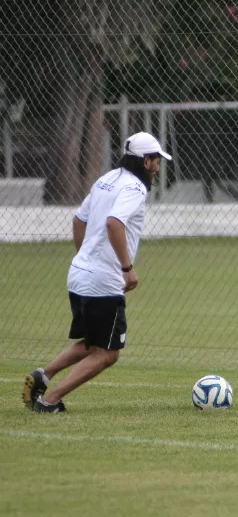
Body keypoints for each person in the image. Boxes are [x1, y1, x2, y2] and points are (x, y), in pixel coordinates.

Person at [23, 132, 171, 413]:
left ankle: (43, 375)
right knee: (108, 353)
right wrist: (127, 269)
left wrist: (84, 256)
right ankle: (50, 400)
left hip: (79, 275)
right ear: (145, 161)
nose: (158, 167)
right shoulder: (135, 189)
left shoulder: (106, 180)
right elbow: (114, 223)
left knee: (94, 344)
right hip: (103, 281)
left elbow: (79, 220)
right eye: (156, 161)